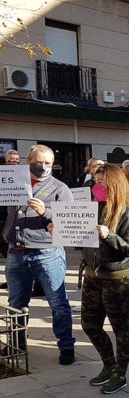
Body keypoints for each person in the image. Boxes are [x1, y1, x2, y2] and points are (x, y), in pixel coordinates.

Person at [3, 145, 76, 364]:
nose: (43, 167)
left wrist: (46, 212)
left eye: (47, 163)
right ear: (29, 161)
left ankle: (66, 347)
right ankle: (16, 344)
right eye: (39, 162)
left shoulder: (60, 188)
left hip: (47, 252)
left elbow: (70, 220)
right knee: (15, 304)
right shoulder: (14, 182)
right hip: (15, 252)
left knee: (58, 302)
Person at [76, 164, 129, 393]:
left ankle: (120, 373)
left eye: (101, 182)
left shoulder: (127, 212)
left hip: (117, 279)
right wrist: (63, 230)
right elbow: (82, 240)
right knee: (89, 325)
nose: (97, 186)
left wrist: (109, 235)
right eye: (95, 181)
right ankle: (109, 365)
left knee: (120, 328)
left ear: (113, 184)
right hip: (93, 276)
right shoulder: (92, 208)